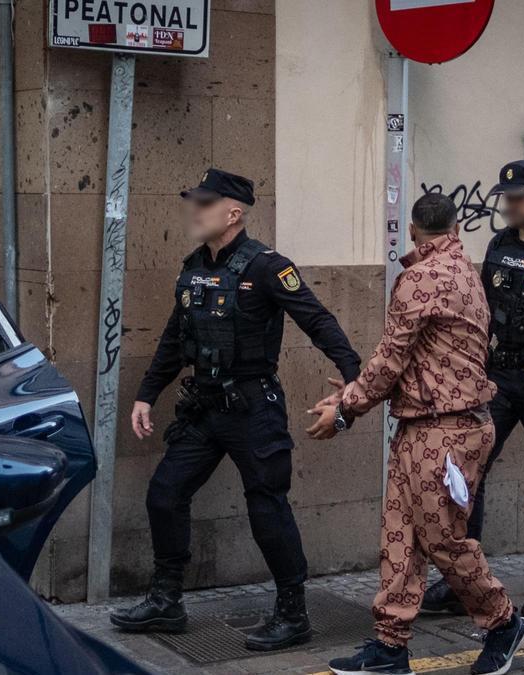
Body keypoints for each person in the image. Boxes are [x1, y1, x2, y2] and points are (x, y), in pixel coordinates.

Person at [110, 168, 362, 652]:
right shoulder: (192, 267)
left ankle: (293, 613)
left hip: (252, 409)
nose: (195, 211)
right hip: (204, 409)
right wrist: (147, 393)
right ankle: (166, 601)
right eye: (194, 202)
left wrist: (354, 376)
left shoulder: (267, 267)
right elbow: (172, 339)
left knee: (267, 507)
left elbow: (316, 319)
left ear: (233, 212)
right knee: (165, 493)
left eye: (205, 204)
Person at [310, 193, 524, 675]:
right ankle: (390, 648)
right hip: (429, 424)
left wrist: (347, 409)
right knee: (401, 539)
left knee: (441, 541)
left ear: (412, 229)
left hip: (445, 430)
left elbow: (391, 358)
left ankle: (503, 622)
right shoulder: (466, 271)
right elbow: (420, 361)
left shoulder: (420, 278)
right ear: (454, 228)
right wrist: (354, 391)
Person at [422, 159, 524, 620]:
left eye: (518, 198)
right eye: (506, 198)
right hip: (500, 377)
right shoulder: (499, 243)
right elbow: (481, 312)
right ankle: (464, 583)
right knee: (466, 475)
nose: (510, 206)